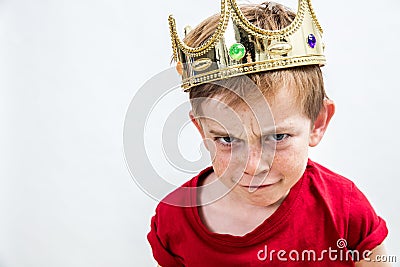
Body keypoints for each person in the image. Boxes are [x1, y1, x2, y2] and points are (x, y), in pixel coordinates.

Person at [147, 0, 390, 266]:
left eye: (277, 137)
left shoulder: (345, 210)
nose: (252, 167)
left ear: (317, 123)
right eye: (227, 139)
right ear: (202, 130)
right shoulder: (173, 219)